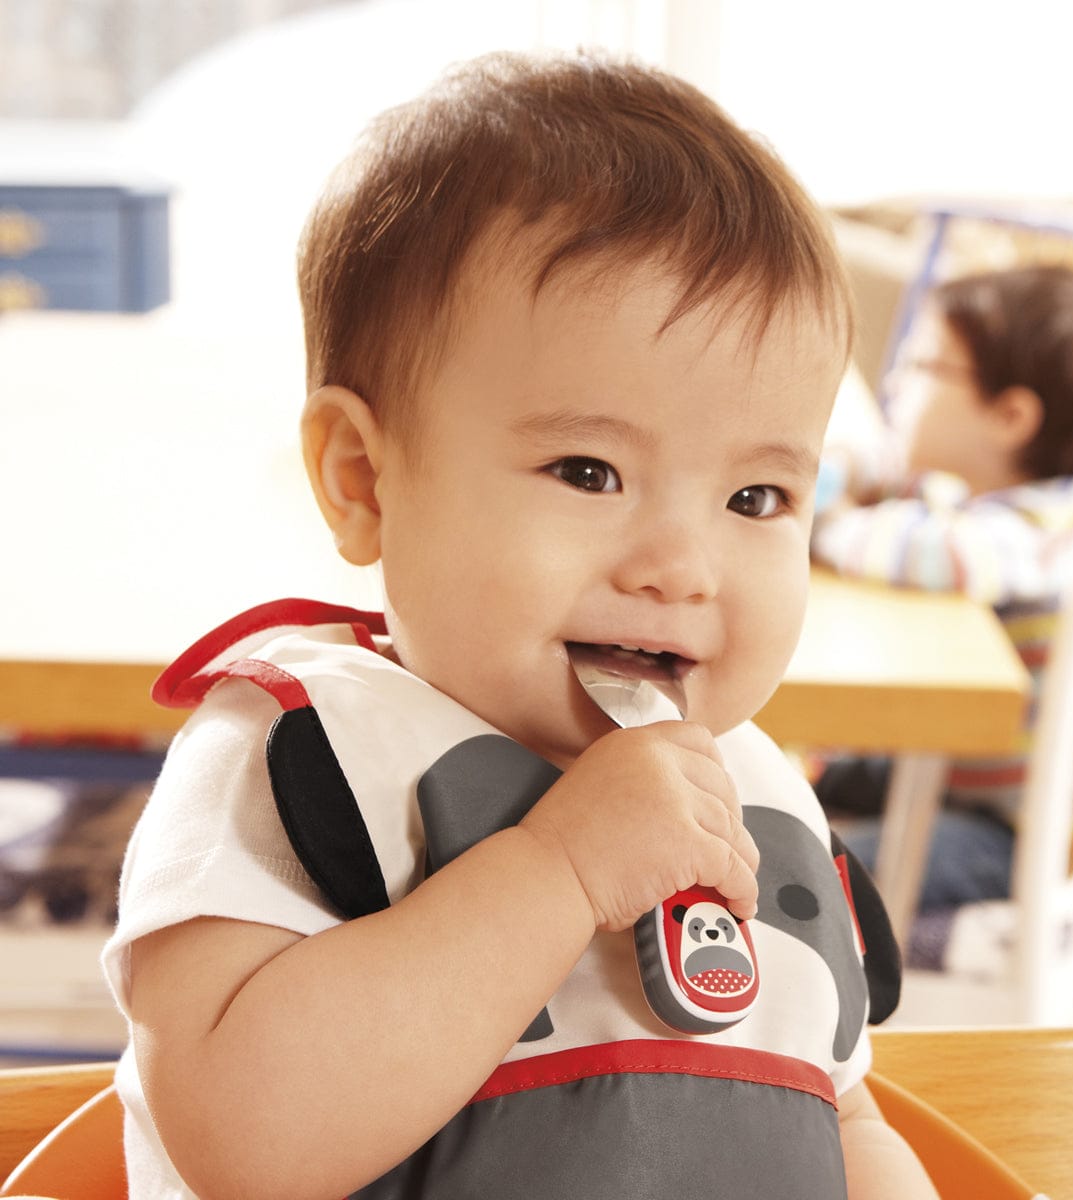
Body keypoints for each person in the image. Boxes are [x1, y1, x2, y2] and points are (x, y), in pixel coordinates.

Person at [101, 51, 938, 1200]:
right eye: (589, 471)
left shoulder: (758, 800)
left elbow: (835, 1111)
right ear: (363, 480)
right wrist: (558, 869)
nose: (681, 567)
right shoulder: (304, 757)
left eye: (756, 498)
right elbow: (244, 1142)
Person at [811, 264, 1073, 913]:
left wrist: (826, 522)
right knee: (806, 784)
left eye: (923, 366)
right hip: (972, 781)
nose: (896, 382)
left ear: (1009, 417)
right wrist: (845, 469)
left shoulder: (1055, 530)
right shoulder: (1004, 494)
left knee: (819, 874)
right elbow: (895, 472)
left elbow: (944, 554)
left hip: (1022, 837)